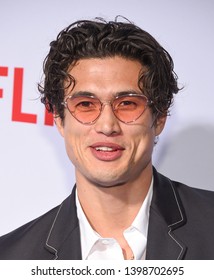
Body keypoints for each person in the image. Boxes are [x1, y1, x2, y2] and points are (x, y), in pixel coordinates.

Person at [0, 18, 214, 260]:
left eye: (127, 104)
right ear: (59, 118)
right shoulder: (11, 259)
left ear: (160, 118)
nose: (107, 126)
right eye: (85, 105)